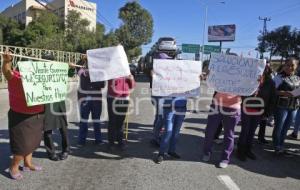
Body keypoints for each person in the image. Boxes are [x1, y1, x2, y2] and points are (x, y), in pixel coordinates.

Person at [2, 52, 44, 180]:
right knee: (21, 145)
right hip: (20, 117)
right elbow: (6, 71)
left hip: (36, 115)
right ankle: (13, 167)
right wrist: (7, 61)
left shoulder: (40, 77)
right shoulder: (15, 77)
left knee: (32, 143)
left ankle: (27, 164)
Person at [237, 65, 276, 161]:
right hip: (247, 108)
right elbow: (240, 92)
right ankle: (240, 151)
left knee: (251, 132)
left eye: (265, 68)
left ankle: (248, 150)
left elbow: (272, 98)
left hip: (259, 110)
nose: (263, 70)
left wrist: (268, 113)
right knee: (245, 130)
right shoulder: (248, 79)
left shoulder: (270, 82)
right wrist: (250, 93)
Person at [42, 53, 75, 161]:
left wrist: (72, 67)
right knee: (47, 130)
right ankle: (51, 152)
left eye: (50, 60)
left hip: (59, 103)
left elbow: (70, 73)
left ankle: (66, 149)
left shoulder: (59, 70)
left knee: (63, 128)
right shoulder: (39, 71)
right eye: (46, 60)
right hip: (46, 104)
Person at [202, 92, 241, 168]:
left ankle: (225, 159)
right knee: (209, 131)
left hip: (233, 107)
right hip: (216, 105)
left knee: (229, 134)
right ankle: (206, 152)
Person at [272, 57, 300, 155]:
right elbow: (272, 91)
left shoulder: (298, 78)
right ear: (284, 66)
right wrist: (284, 93)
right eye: (287, 65)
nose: (289, 67)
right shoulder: (278, 77)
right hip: (281, 106)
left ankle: (281, 144)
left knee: (286, 127)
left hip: (294, 107)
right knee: (279, 127)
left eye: (292, 65)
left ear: (296, 67)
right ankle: (276, 145)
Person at [77, 55, 105, 146]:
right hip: (84, 99)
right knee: (83, 120)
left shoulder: (100, 72)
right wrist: (82, 58)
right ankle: (82, 140)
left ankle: (98, 140)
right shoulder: (81, 70)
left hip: (96, 99)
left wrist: (93, 76)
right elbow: (78, 66)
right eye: (88, 60)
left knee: (96, 120)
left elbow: (102, 84)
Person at [107, 75, 135, 150]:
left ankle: (120, 141)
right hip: (113, 97)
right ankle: (111, 143)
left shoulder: (126, 70)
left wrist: (131, 79)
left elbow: (132, 86)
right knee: (112, 121)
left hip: (124, 98)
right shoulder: (112, 70)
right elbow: (112, 84)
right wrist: (118, 77)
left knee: (121, 121)